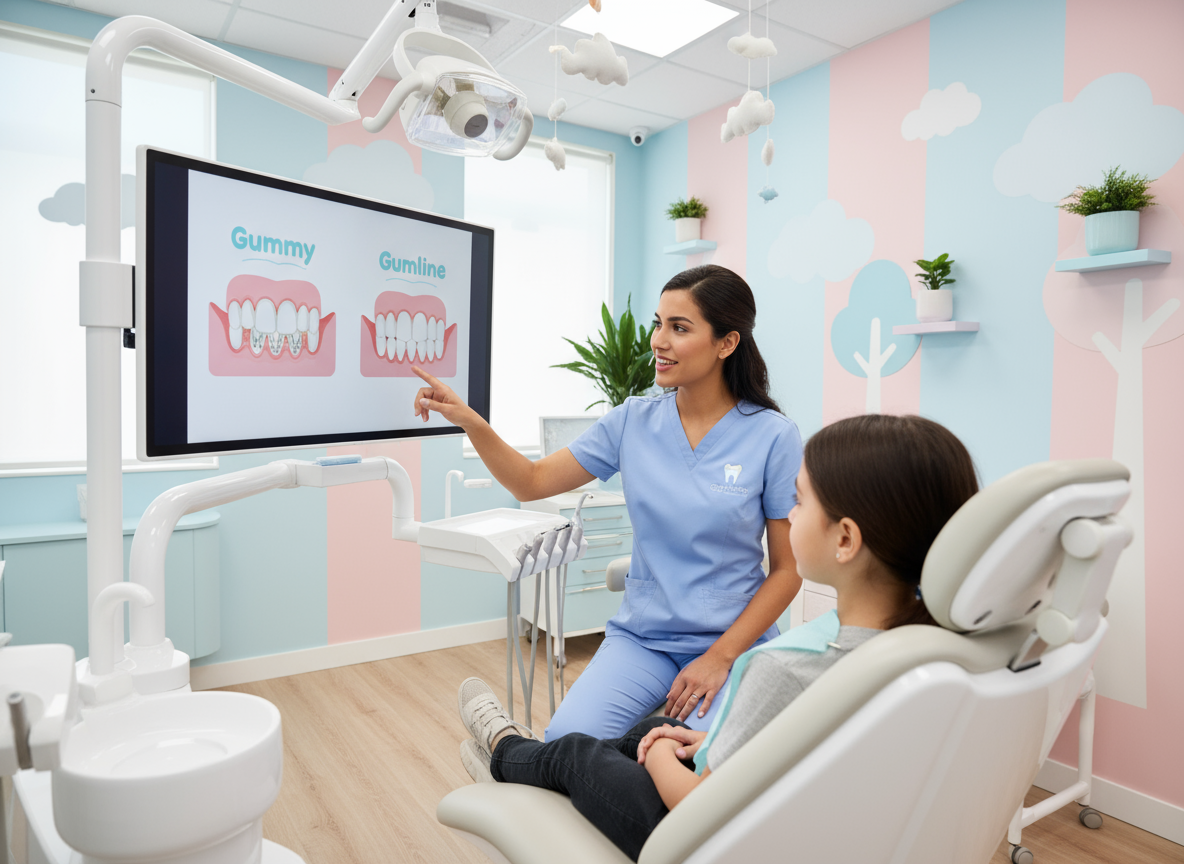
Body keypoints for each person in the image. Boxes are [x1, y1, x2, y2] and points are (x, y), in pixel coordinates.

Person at [453, 414, 980, 861]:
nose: (787, 514)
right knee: (640, 735)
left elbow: (698, 803)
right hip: (791, 814)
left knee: (580, 755)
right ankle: (539, 755)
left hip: (709, 839)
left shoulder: (783, 667)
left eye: (799, 502)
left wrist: (663, 753)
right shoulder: (924, 651)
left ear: (845, 539)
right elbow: (807, 745)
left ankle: (504, 752)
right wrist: (707, 741)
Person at [413, 265, 803, 740]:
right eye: (658, 323)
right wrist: (471, 421)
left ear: (727, 343)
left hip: (733, 643)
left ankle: (509, 755)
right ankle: (515, 753)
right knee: (566, 742)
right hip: (644, 640)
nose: (659, 340)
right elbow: (531, 481)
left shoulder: (772, 436)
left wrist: (719, 658)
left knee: (699, 762)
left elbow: (787, 570)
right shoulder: (633, 421)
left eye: (679, 328)